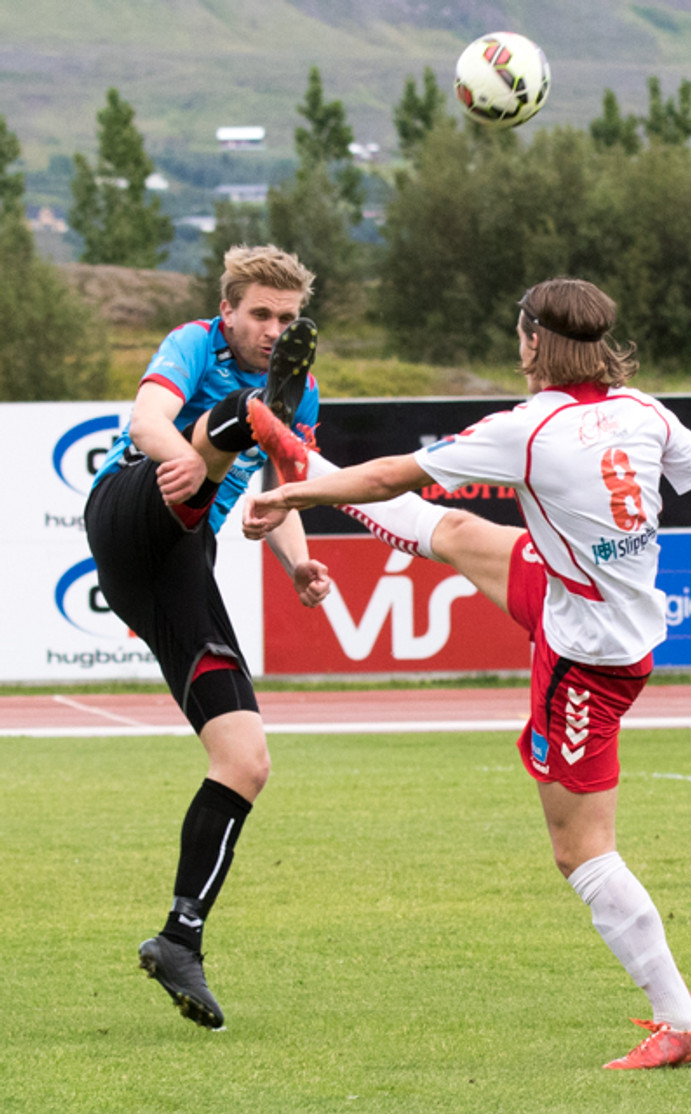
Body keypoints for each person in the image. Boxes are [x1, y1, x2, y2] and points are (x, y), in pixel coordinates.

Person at [242, 277, 691, 1069]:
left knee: (580, 851)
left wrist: (297, 496)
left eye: (519, 331)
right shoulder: (644, 411)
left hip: (586, 661)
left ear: (532, 341)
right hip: (573, 600)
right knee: (456, 531)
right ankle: (297, 450)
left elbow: (390, 478)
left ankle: (682, 1020)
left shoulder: (529, 428)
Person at [84, 244, 332, 1030]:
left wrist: (298, 562)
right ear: (227, 311)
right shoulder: (193, 341)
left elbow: (280, 492)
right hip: (129, 509)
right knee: (223, 430)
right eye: (260, 314)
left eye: (286, 318)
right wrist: (186, 461)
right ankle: (246, 417)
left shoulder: (304, 390)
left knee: (246, 760)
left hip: (180, 560)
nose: (273, 328)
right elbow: (146, 421)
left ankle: (179, 938)